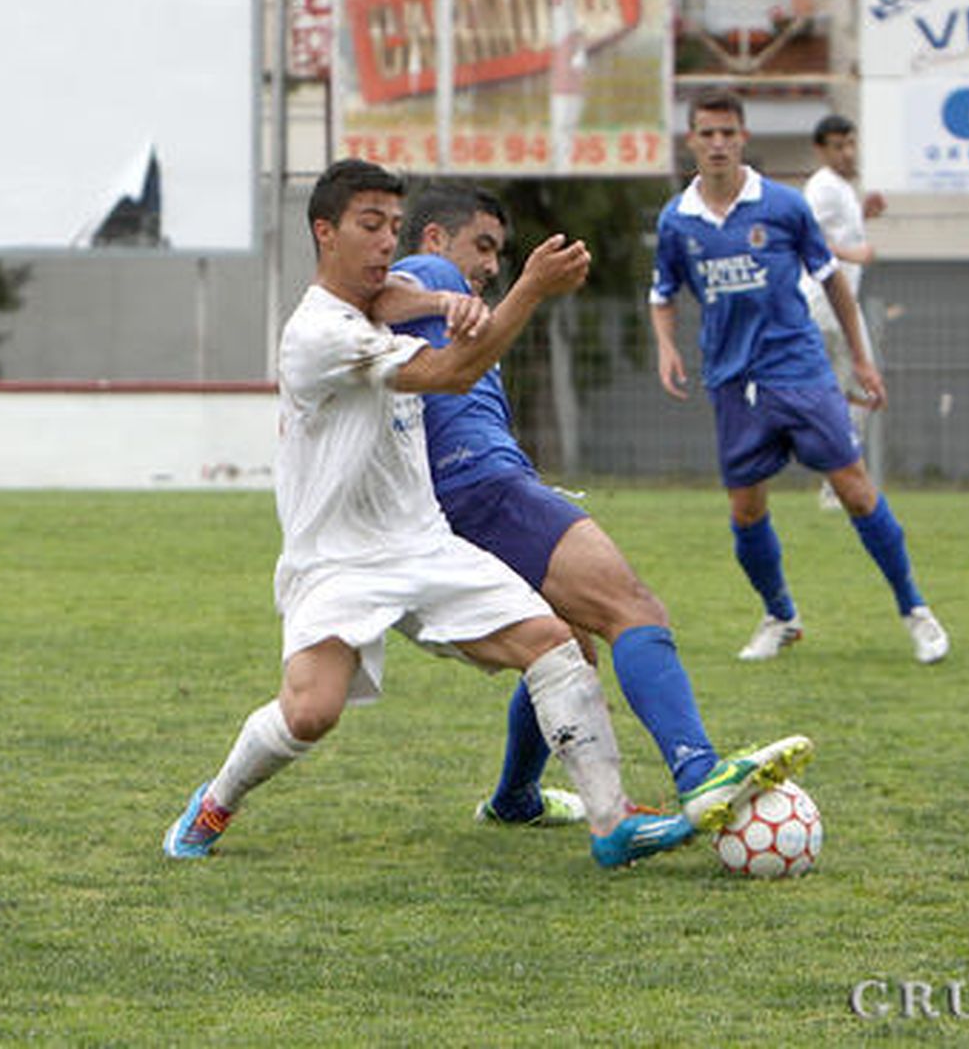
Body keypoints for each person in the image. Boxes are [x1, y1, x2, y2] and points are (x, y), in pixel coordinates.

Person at [163, 159, 694, 869]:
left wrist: (446, 306)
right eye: (369, 226)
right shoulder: (316, 335)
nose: (386, 242)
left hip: (423, 542)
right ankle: (216, 799)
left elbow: (392, 298)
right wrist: (528, 289)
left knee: (553, 639)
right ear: (326, 232)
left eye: (391, 226)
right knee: (312, 712)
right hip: (338, 559)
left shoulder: (377, 299)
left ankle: (611, 823)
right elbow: (452, 374)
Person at [382, 182, 814, 833]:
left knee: (568, 645)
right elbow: (381, 292)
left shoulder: (454, 312)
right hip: (482, 489)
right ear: (438, 239)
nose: (492, 265)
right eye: (485, 246)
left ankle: (516, 799)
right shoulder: (430, 272)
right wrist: (526, 285)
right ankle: (699, 774)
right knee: (631, 608)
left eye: (501, 253)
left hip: (468, 492)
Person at [648, 89, 950, 666]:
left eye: (727, 133)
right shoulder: (676, 220)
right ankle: (781, 615)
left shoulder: (783, 206)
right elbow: (662, 294)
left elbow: (832, 278)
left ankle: (916, 610)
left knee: (855, 489)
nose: (717, 143)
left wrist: (861, 358)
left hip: (800, 369)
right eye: (706, 133)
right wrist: (665, 346)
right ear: (691, 140)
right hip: (732, 381)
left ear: (743, 138)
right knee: (745, 510)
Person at [795, 114, 886, 512]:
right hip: (826, 304)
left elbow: (838, 233)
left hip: (836, 305)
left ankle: (839, 480)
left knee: (845, 392)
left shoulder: (842, 188)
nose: (847, 153)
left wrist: (864, 216)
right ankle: (839, 485)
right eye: (838, 146)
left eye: (851, 144)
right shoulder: (822, 187)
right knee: (860, 390)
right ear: (820, 149)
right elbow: (806, 236)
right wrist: (856, 253)